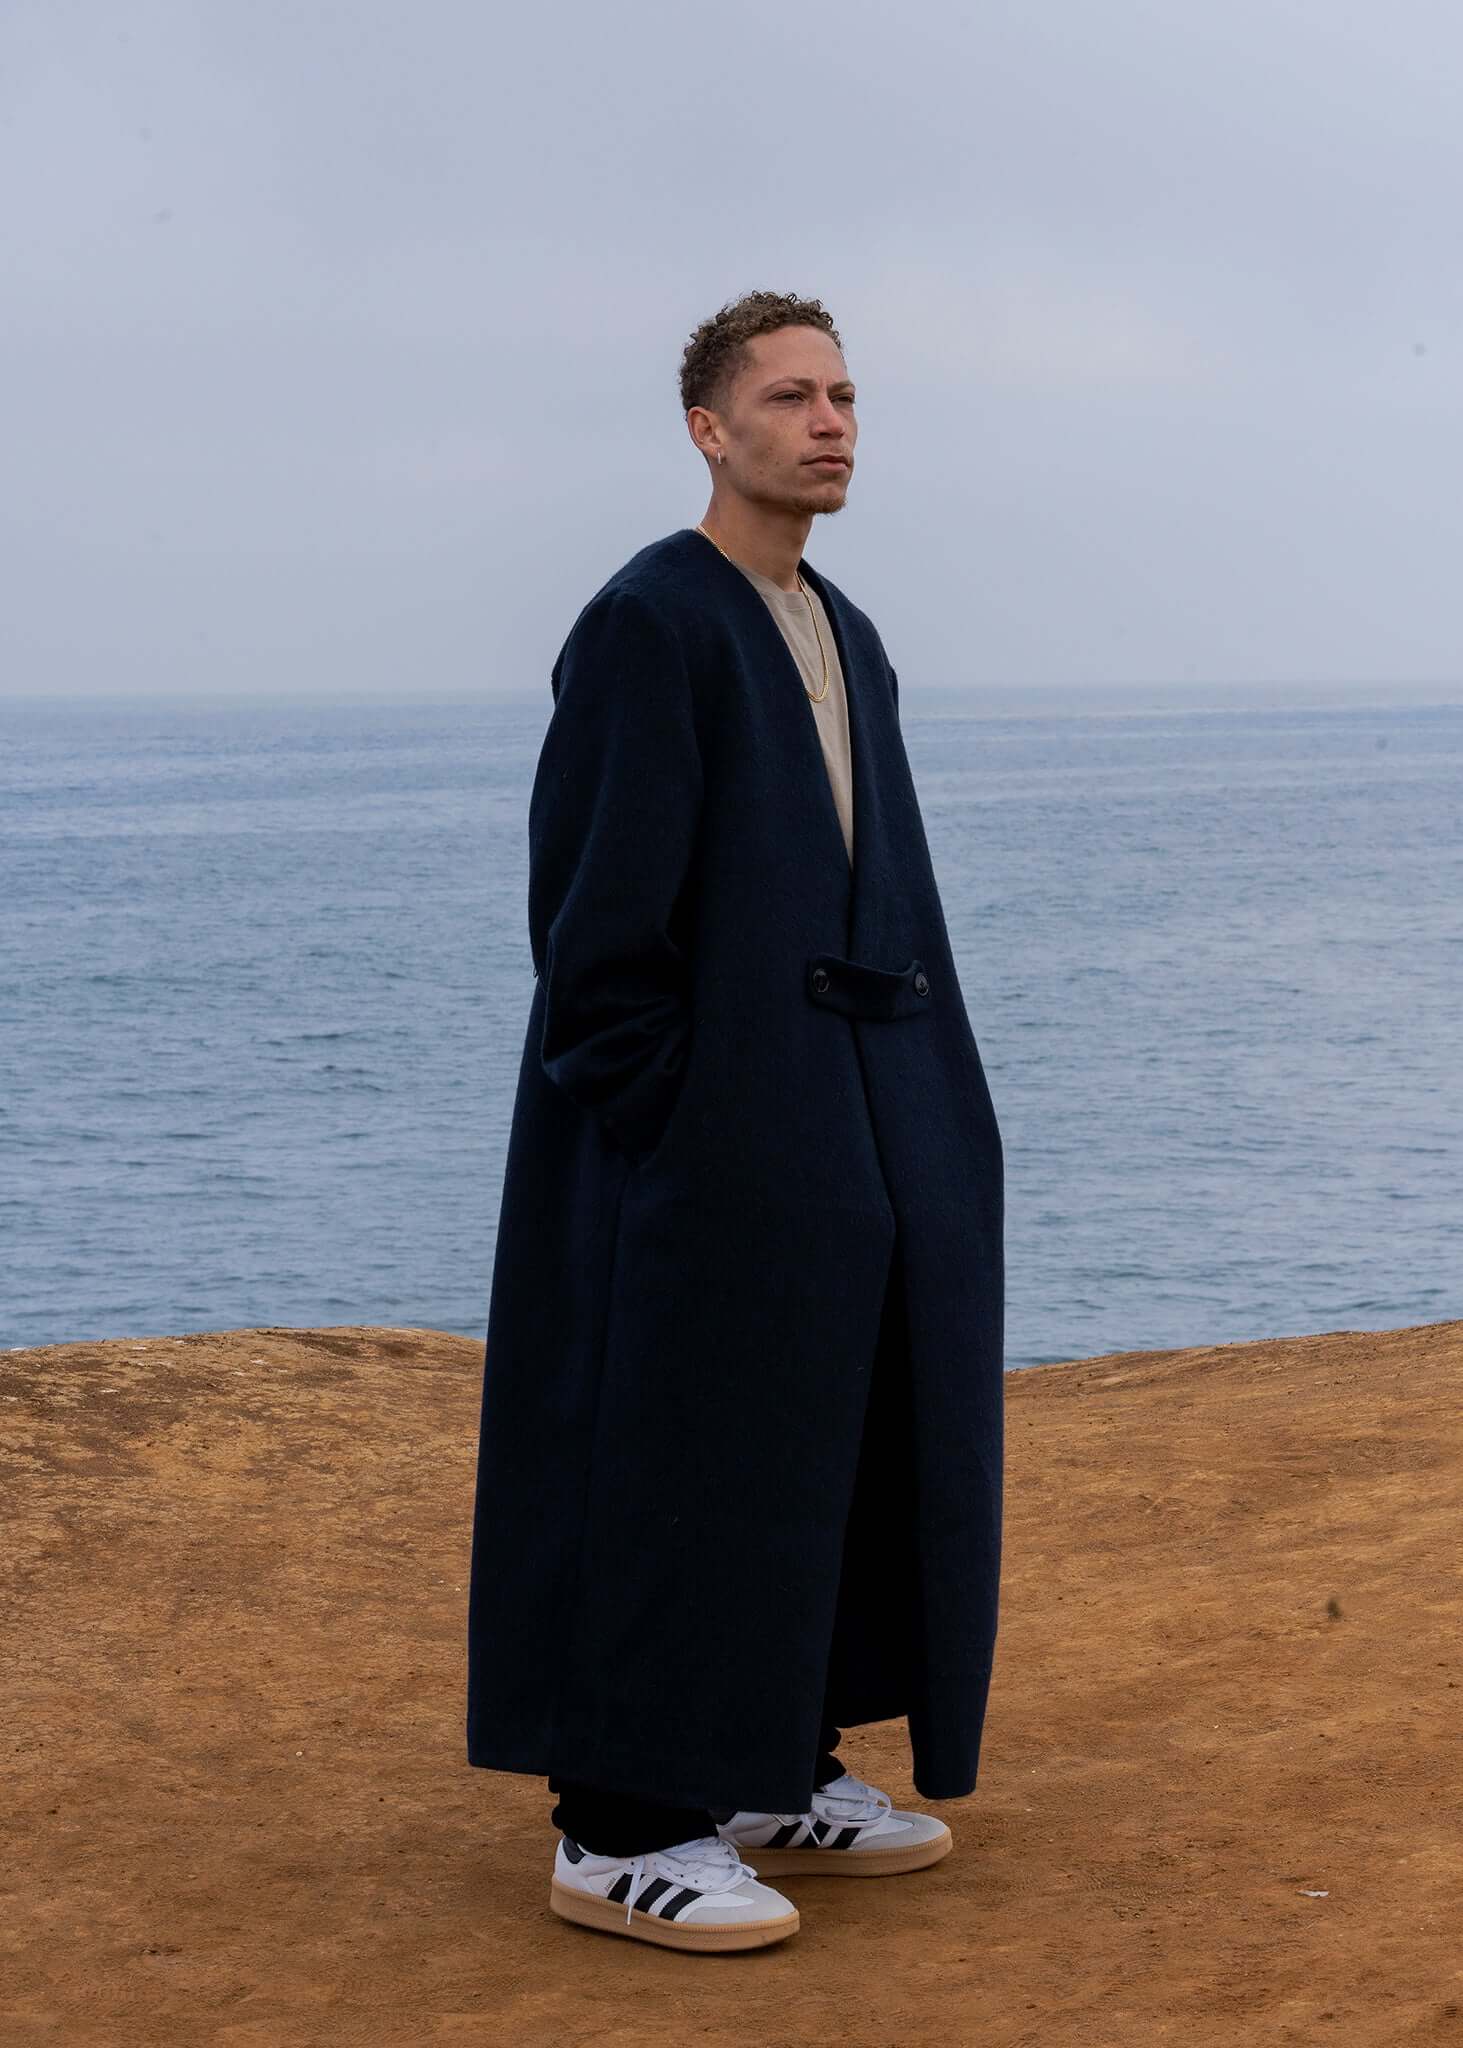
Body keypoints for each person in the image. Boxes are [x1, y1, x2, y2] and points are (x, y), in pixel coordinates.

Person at [466, 290, 1005, 1953]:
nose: (830, 422)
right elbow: (595, 924)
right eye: (789, 397)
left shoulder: (842, 627)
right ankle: (620, 1825)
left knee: (826, 1438)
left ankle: (772, 1764)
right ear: (710, 429)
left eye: (844, 395)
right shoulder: (653, 622)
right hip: (699, 1142)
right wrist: (674, 1121)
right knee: (669, 1456)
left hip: (849, 1115)